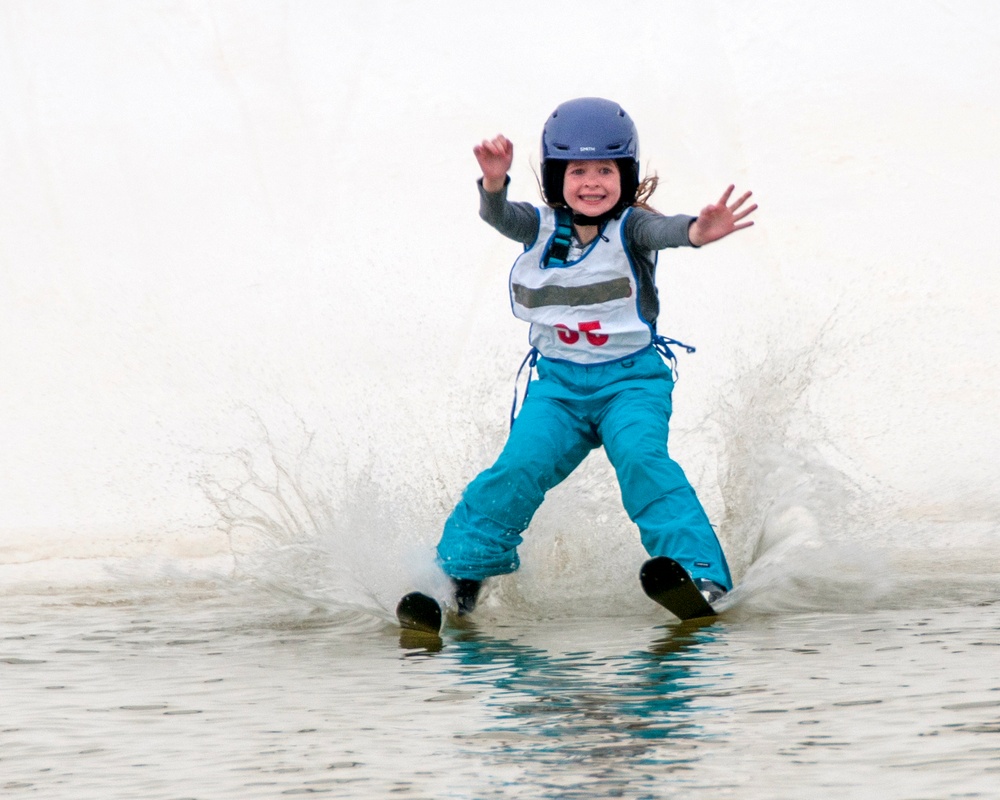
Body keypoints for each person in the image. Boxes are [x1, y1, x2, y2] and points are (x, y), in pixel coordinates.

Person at [435, 97, 756, 615]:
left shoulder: (632, 227)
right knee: (516, 467)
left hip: (630, 385)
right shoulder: (537, 226)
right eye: (577, 170)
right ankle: (461, 577)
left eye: (605, 170)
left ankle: (701, 578)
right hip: (557, 389)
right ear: (556, 176)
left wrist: (698, 231)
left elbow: (669, 230)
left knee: (643, 461)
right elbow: (497, 216)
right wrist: (494, 182)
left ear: (624, 176)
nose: (591, 182)